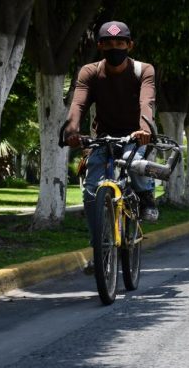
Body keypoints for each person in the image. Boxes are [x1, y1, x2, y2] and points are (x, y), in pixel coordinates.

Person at [64, 20, 158, 236]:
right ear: (100, 46)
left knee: (133, 163)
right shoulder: (90, 72)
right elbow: (78, 104)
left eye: (120, 42)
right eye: (108, 43)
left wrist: (144, 130)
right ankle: (98, 245)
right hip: (103, 138)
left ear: (130, 46)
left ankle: (146, 196)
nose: (114, 48)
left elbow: (147, 102)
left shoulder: (143, 70)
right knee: (91, 189)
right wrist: (71, 132)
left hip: (135, 136)